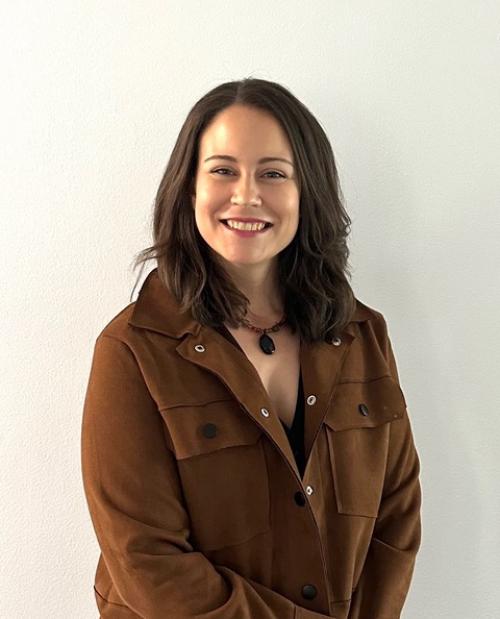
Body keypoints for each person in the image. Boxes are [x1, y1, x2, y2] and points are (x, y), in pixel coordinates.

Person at [81, 77, 422, 618]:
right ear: (188, 188)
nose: (246, 195)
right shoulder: (132, 351)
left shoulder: (363, 335)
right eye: (223, 170)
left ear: (307, 191)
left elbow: (396, 516)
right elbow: (146, 560)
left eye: (273, 173)